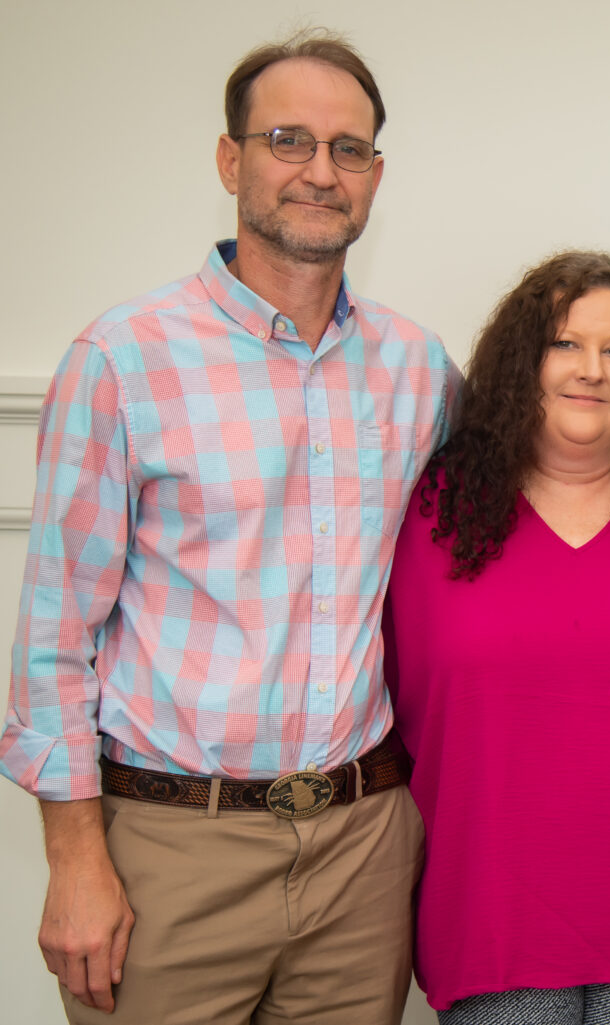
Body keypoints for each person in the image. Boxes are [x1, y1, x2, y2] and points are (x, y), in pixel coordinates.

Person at [0, 29, 459, 1025]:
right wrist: (75, 861)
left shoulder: (419, 371)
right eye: (289, 139)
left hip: (361, 847)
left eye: (348, 149)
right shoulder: (122, 357)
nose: (319, 171)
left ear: (376, 175)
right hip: (172, 846)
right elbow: (52, 641)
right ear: (230, 158)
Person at [384, 250, 610, 1025]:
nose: (593, 370)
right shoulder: (429, 511)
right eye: (566, 344)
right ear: (523, 361)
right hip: (490, 909)